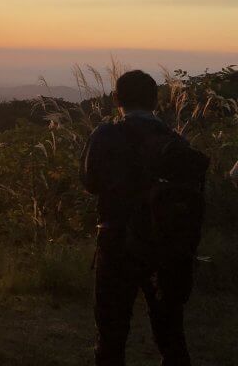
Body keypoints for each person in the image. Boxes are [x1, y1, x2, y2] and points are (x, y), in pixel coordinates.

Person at [80, 69, 207, 366]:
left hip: (116, 243)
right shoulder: (175, 142)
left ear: (116, 99)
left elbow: (89, 183)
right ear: (156, 101)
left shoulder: (105, 135)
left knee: (111, 336)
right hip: (165, 248)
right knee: (171, 333)